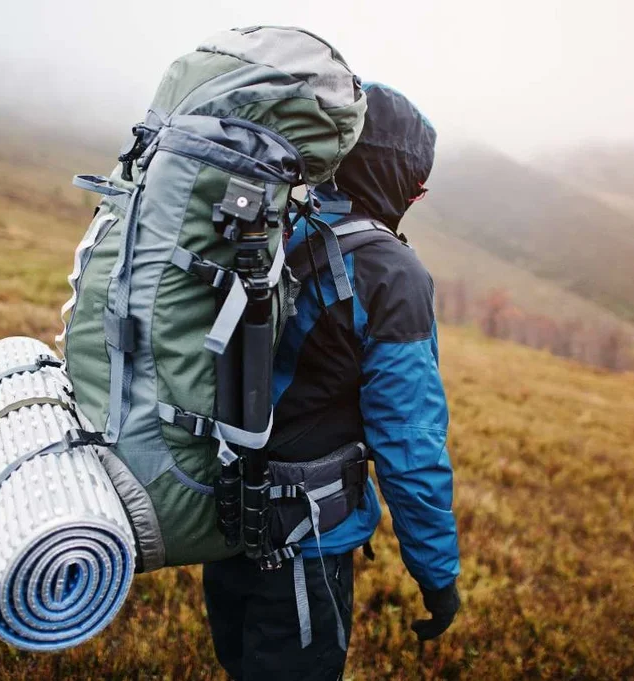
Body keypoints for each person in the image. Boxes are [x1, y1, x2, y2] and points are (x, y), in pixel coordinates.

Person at [203, 82, 461, 681]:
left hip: (226, 518)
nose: (417, 197)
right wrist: (438, 576)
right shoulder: (391, 274)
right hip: (303, 541)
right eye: (417, 184)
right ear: (400, 179)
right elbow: (410, 444)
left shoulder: (276, 224)